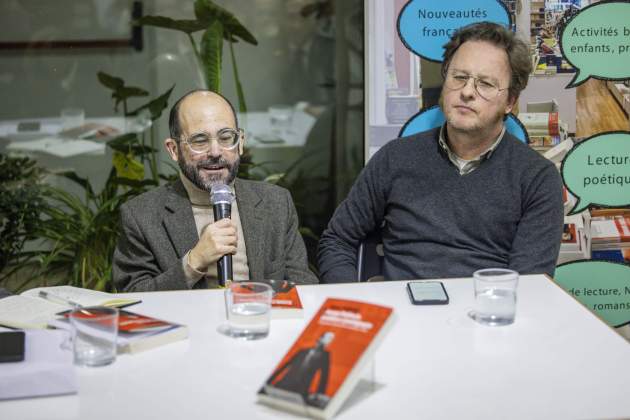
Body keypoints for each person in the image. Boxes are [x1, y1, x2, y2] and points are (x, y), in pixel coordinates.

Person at [318, 22, 564, 282]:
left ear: (510, 102)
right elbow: (337, 240)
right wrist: (354, 309)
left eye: (486, 84)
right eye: (459, 77)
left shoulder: (537, 178)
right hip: (402, 314)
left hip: (485, 313)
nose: (467, 92)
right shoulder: (395, 158)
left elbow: (530, 285)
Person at [113, 90, 318, 291]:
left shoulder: (276, 203)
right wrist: (192, 264)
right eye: (200, 140)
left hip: (259, 319)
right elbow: (133, 299)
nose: (215, 152)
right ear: (173, 150)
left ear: (240, 143)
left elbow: (303, 286)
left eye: (226, 137)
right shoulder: (141, 215)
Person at [264, 332, 334, 406]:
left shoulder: (325, 355)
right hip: (284, 383)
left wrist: (318, 394)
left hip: (300, 389)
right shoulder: (303, 351)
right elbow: (286, 365)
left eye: (331, 339)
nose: (330, 341)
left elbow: (324, 376)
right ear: (321, 338)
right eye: (328, 338)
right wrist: (269, 380)